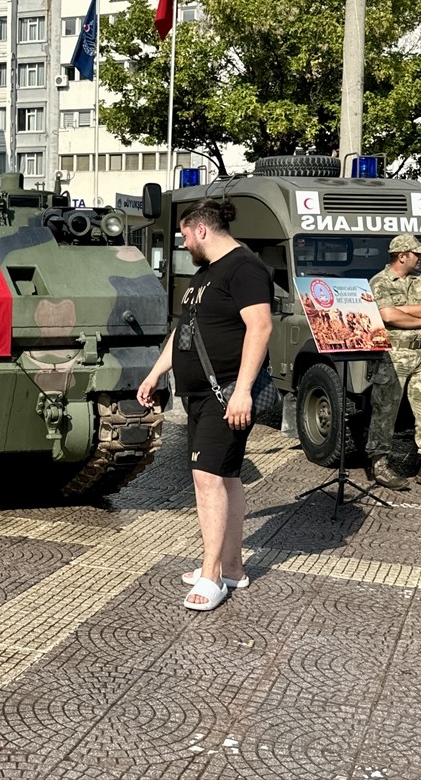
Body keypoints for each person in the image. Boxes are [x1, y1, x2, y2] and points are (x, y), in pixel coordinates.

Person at [137, 198, 273, 612]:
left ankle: (212, 574)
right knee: (226, 478)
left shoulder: (244, 268)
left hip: (227, 392)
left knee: (206, 479)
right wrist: (156, 371)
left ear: (201, 230)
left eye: (183, 235)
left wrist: (243, 390)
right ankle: (231, 567)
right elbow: (186, 329)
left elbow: (261, 327)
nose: (182, 243)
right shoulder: (205, 274)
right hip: (199, 395)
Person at [366, 233, 421, 490]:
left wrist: (405, 312)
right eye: (416, 253)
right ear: (402, 256)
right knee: (385, 411)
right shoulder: (380, 281)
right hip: (393, 356)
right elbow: (388, 316)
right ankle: (379, 463)